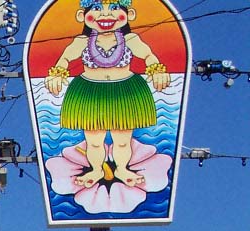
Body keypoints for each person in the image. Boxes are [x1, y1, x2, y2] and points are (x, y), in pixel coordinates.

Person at [43, 0, 171, 191]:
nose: (105, 15)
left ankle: (121, 168)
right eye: (96, 9)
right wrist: (56, 74)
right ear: (81, 16)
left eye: (113, 9)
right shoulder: (81, 41)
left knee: (122, 140)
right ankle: (96, 169)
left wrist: (156, 69)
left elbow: (149, 56)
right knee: (93, 142)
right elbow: (65, 59)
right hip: (90, 92)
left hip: (124, 91)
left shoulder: (130, 39)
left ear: (130, 15)